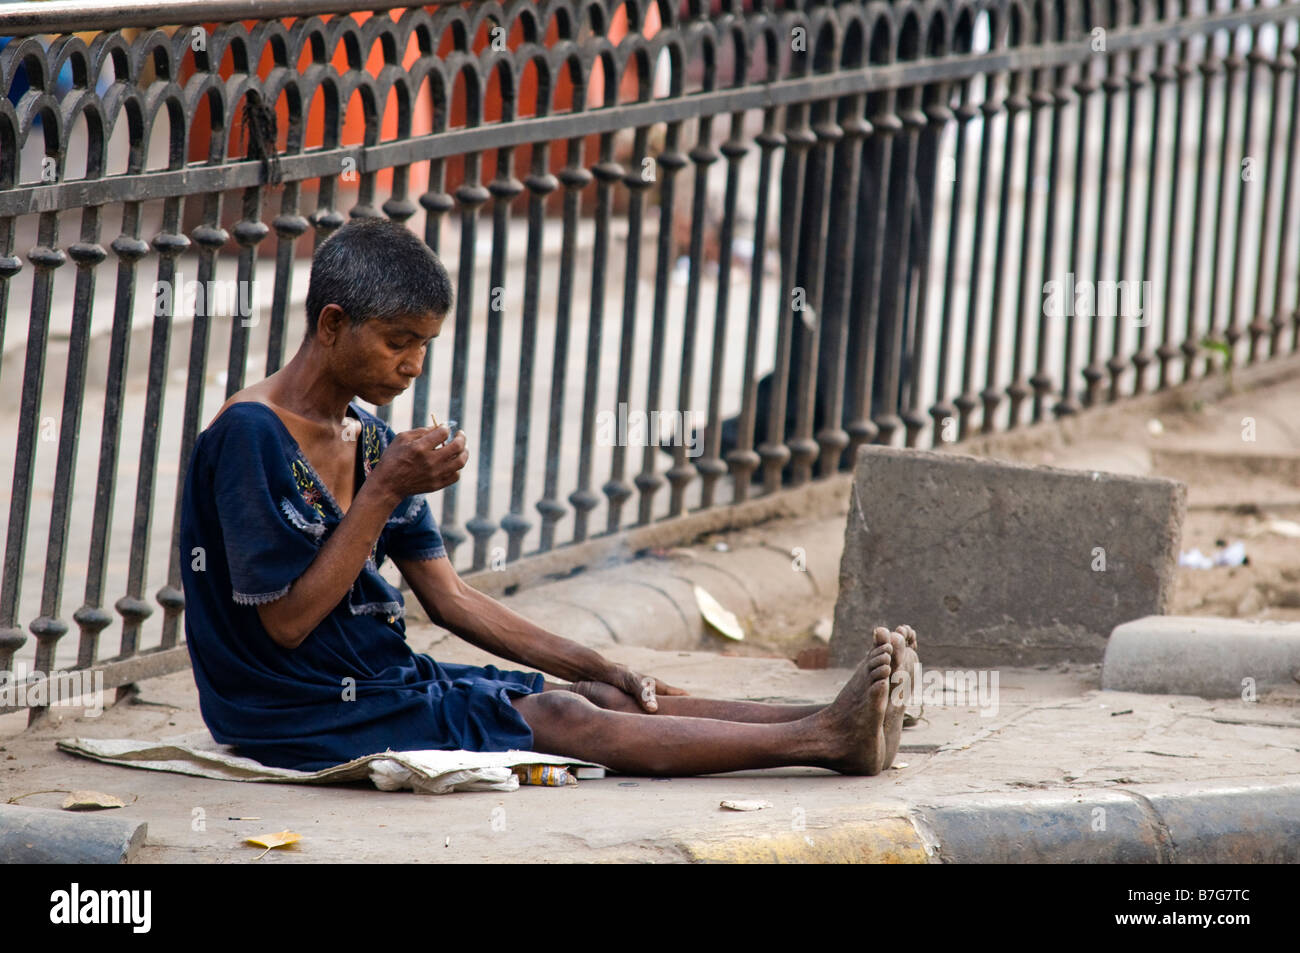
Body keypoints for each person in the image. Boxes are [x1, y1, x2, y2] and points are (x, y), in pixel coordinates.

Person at [178, 216, 919, 776]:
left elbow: (453, 600)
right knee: (564, 715)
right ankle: (823, 741)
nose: (413, 365)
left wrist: (595, 662)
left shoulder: (369, 437)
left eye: (425, 345)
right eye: (398, 340)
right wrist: (381, 493)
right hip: (291, 709)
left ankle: (835, 716)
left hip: (377, 678)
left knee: (612, 695)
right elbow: (286, 623)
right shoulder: (253, 435)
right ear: (333, 324)